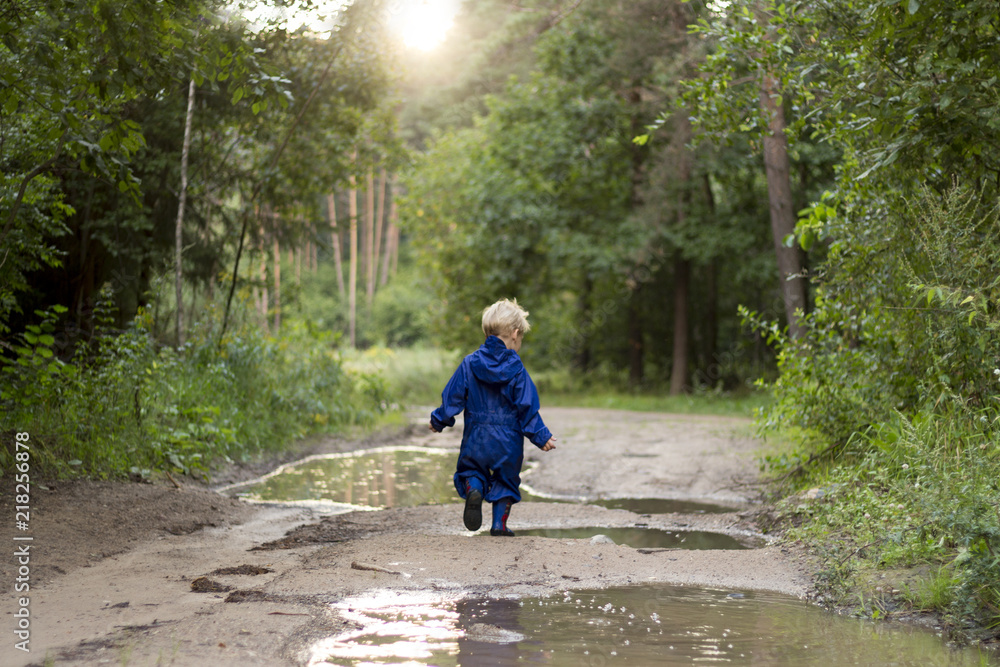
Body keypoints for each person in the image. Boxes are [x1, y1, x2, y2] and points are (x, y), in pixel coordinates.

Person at [429, 298, 557, 536]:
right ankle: (499, 525)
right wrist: (542, 436)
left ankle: (474, 489)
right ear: (515, 334)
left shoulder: (469, 363)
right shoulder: (518, 371)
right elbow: (527, 407)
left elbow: (453, 396)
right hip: (508, 440)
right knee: (506, 480)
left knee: (472, 470)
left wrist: (439, 419)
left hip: (476, 437)